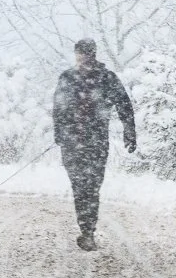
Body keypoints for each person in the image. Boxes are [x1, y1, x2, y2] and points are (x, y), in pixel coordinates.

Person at [51, 38, 136, 252]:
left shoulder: (106, 78)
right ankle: (87, 230)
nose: (82, 58)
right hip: (74, 142)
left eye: (85, 53)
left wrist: (129, 131)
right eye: (79, 53)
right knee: (81, 187)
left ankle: (88, 231)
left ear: (92, 54)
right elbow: (58, 108)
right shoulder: (68, 78)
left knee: (91, 187)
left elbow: (124, 104)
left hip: (95, 143)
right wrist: (59, 132)